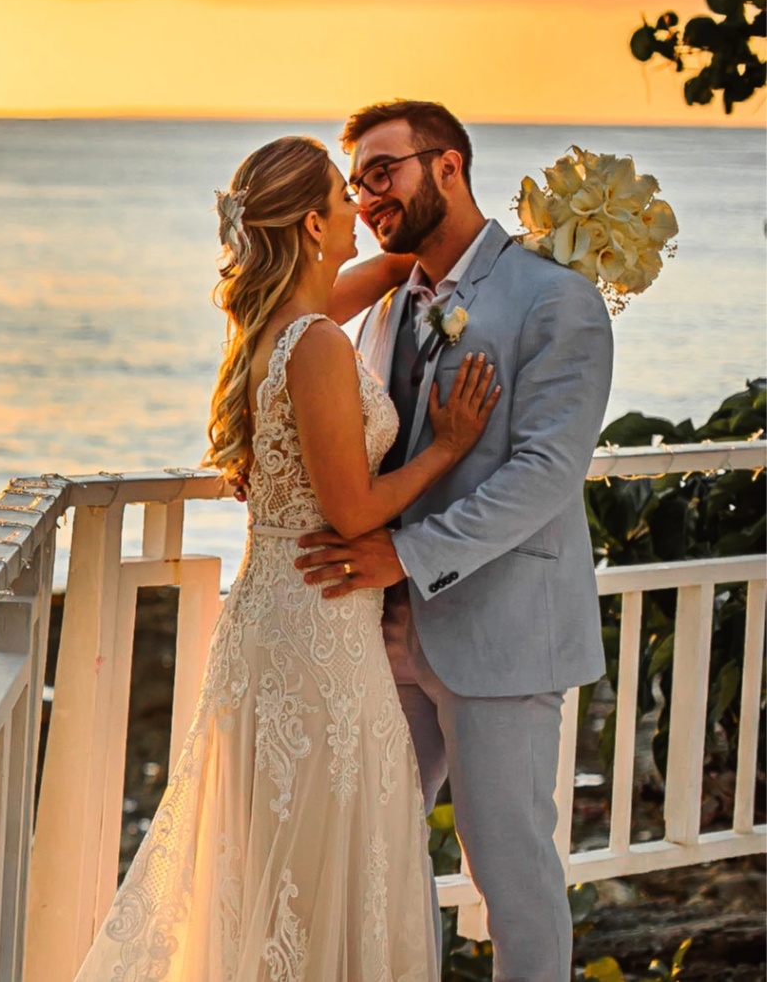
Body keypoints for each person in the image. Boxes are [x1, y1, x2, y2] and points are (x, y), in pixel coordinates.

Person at [69, 135, 499, 981]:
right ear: (310, 224)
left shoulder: (278, 323)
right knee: (320, 856)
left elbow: (383, 270)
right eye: (344, 197)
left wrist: (466, 238)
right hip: (317, 631)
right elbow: (353, 511)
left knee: (280, 857)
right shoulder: (317, 343)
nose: (358, 210)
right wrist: (448, 446)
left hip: (274, 619)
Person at [297, 99, 617, 982]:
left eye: (384, 171)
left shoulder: (557, 299)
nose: (368, 196)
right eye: (357, 181)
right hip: (384, 634)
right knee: (374, 856)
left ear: (448, 166)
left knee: (509, 876)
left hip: (502, 636)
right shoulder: (386, 306)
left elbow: (545, 474)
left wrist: (406, 554)